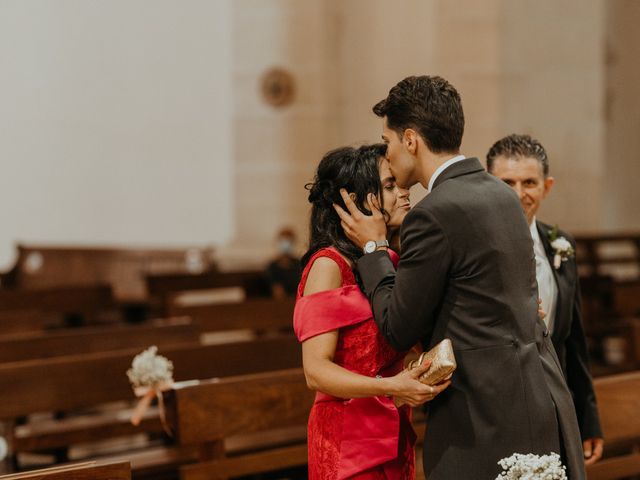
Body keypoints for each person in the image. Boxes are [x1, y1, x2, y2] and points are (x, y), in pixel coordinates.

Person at [334, 76, 586, 479]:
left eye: (389, 141)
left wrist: (374, 250)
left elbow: (398, 327)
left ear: (411, 140)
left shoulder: (432, 213)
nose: (389, 152)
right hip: (537, 396)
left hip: (481, 418)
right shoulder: (500, 195)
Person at [294, 143, 450, 480]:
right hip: (347, 444)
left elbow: (404, 342)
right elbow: (316, 372)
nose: (405, 192)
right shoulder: (328, 265)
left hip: (393, 431)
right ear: (356, 200)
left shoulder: (387, 262)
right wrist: (392, 386)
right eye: (390, 186)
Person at [486, 133, 604, 466]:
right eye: (506, 182)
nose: (518, 193)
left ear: (546, 186)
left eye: (529, 182)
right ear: (487, 184)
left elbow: (574, 340)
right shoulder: (471, 245)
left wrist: (588, 418)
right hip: (493, 408)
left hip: (554, 404)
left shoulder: (560, 245)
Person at [265, 227, 302, 299]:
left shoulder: (299, 264)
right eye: (283, 241)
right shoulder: (272, 266)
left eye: (289, 242)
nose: (286, 245)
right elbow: (277, 293)